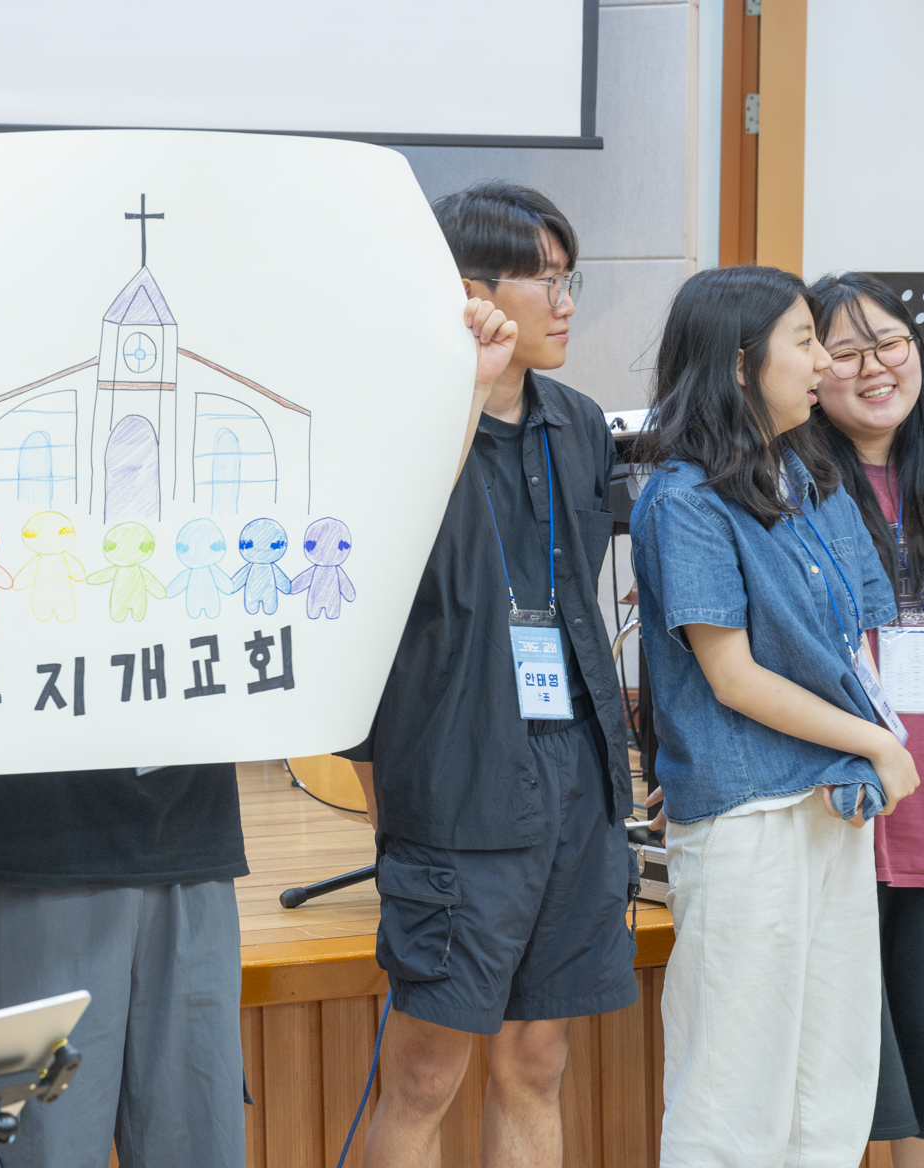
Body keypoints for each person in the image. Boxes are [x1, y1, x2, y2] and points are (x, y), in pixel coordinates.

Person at [0, 192, 523, 1168]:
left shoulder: (225, 466)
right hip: (33, 859)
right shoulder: (15, 458)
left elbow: (377, 522)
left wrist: (464, 394)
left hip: (194, 850)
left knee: (200, 1139)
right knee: (30, 1145)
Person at [342, 181, 637, 1168]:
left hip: (573, 776)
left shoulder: (580, 424)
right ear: (473, 291)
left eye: (570, 278)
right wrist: (466, 387)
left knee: (538, 1059)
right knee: (426, 1070)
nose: (566, 302)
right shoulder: (401, 421)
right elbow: (375, 583)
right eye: (545, 281)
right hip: (457, 777)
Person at [631, 265, 919, 1166]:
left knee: (831, 1081)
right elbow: (734, 678)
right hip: (749, 813)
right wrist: (877, 742)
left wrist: (871, 748)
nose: (824, 363)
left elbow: (852, 647)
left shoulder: (812, 477)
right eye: (806, 342)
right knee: (734, 1090)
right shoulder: (682, 499)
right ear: (739, 362)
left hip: (832, 802)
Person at [805, 270, 924, 1162]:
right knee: (861, 1075)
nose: (876, 366)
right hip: (857, 802)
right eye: (846, 352)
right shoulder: (796, 488)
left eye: (890, 342)